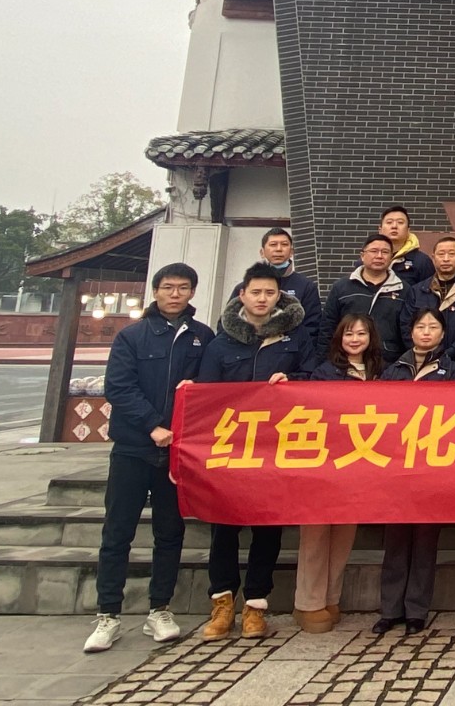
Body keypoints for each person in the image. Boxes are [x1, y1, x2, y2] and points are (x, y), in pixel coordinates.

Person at [83, 263, 213, 654]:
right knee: (117, 531)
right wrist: (153, 424)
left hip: (177, 453)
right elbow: (118, 387)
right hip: (133, 448)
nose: (175, 294)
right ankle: (108, 614)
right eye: (168, 287)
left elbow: (211, 386)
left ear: (192, 293)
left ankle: (160, 609)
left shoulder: (202, 337)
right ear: (155, 291)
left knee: (169, 533)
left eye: (183, 288)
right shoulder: (132, 336)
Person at [198, 262, 312, 641]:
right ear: (242, 295)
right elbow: (206, 397)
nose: (263, 299)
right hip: (230, 450)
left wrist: (292, 380)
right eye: (256, 292)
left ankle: (255, 606)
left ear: (279, 296)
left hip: (277, 448)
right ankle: (221, 604)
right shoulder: (221, 343)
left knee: (268, 528)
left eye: (270, 293)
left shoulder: (295, 339)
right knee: (224, 529)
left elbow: (314, 378)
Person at [374, 308, 455, 636]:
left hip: (433, 467)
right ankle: (389, 609)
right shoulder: (394, 370)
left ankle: (416, 609)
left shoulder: (453, 372)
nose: (426, 332)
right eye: (420, 326)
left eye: (433, 327)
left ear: (443, 333)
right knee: (395, 540)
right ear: (411, 332)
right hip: (397, 466)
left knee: (425, 540)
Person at [293, 313, 383, 633]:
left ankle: (331, 598)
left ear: (371, 338)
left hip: (359, 465)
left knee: (344, 533)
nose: (355, 339)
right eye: (348, 334)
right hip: (325, 464)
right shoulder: (324, 372)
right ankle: (308, 603)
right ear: (339, 338)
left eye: (361, 333)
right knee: (316, 533)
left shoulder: (381, 373)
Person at [228, 228, 323, 347]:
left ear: (291, 252)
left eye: (284, 244)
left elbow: (312, 328)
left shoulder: (306, 286)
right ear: (262, 252)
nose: (278, 249)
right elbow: (229, 319)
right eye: (273, 245)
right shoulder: (244, 287)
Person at [320, 234, 409, 361]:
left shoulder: (403, 289)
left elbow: (407, 331)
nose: (379, 256)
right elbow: (327, 327)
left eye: (385, 252)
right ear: (362, 256)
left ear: (391, 257)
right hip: (346, 361)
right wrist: (324, 361)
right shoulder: (341, 287)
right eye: (374, 251)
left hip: (389, 362)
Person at [402, 235, 455, 367]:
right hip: (420, 361)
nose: (446, 259)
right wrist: (421, 352)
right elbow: (406, 325)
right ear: (433, 258)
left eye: (451, 254)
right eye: (441, 254)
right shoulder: (417, 290)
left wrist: (450, 354)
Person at [379, 205, 433, 287]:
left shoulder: (422, 261)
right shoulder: (368, 259)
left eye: (400, 222)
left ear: (408, 230)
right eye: (389, 222)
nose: (394, 226)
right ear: (380, 230)